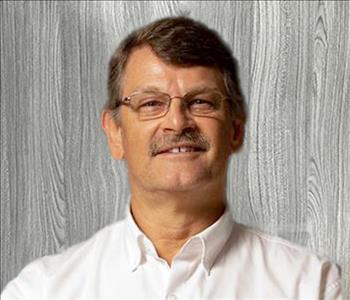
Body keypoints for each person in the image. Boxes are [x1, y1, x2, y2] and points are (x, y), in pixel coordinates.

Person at [2, 16, 341, 299]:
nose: (177, 122)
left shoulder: (310, 286)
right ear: (115, 133)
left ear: (236, 129)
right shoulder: (40, 290)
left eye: (201, 102)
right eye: (151, 103)